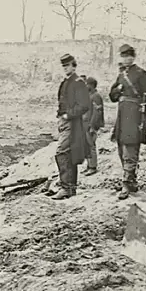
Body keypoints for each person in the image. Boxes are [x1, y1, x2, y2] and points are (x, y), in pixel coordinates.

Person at [109, 44, 146, 200]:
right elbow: (112, 96)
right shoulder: (122, 75)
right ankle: (131, 180)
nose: (126, 58)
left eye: (128, 55)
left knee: (130, 147)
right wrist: (118, 89)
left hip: (134, 114)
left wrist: (144, 115)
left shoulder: (141, 74)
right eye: (123, 56)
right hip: (122, 114)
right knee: (121, 147)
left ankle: (126, 182)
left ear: (133, 56)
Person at [47, 53, 90, 200]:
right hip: (64, 122)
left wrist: (68, 115)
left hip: (72, 122)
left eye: (68, 65)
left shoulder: (78, 82)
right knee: (69, 154)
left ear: (74, 65)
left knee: (62, 152)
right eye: (64, 66)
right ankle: (69, 187)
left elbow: (84, 105)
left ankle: (66, 187)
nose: (66, 68)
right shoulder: (66, 82)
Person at [81, 76, 104, 175]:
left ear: (91, 85)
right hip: (85, 124)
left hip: (90, 125)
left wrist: (93, 126)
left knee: (91, 146)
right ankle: (89, 166)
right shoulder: (90, 95)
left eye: (87, 84)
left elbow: (97, 112)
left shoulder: (96, 96)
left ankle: (93, 167)